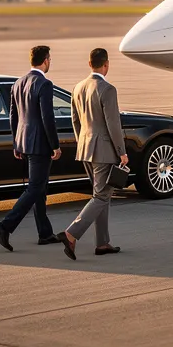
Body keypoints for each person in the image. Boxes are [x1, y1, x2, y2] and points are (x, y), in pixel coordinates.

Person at [57, 48, 128, 260]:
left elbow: (75, 121)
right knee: (101, 196)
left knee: (102, 197)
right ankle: (71, 234)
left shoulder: (78, 88)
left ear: (90, 64)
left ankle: (103, 243)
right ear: (106, 64)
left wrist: (84, 143)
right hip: (104, 151)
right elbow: (113, 124)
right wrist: (121, 152)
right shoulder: (107, 89)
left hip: (86, 150)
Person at [0, 45, 61, 251]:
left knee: (39, 188)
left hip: (24, 142)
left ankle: (45, 233)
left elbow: (13, 116)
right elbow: (47, 117)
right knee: (35, 188)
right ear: (46, 60)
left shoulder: (18, 83)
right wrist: (55, 145)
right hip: (40, 144)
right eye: (50, 59)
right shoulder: (44, 84)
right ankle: (5, 226)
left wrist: (16, 142)